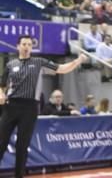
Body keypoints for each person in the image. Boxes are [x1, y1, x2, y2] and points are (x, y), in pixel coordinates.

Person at [0, 35, 86, 178]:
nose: (26, 46)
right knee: (1, 142)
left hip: (30, 108)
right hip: (11, 106)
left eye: (29, 44)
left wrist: (77, 61)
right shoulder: (10, 64)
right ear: (18, 46)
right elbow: (1, 86)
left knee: (22, 146)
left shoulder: (39, 62)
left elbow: (61, 69)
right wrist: (1, 94)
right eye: (24, 44)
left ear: (31, 47)